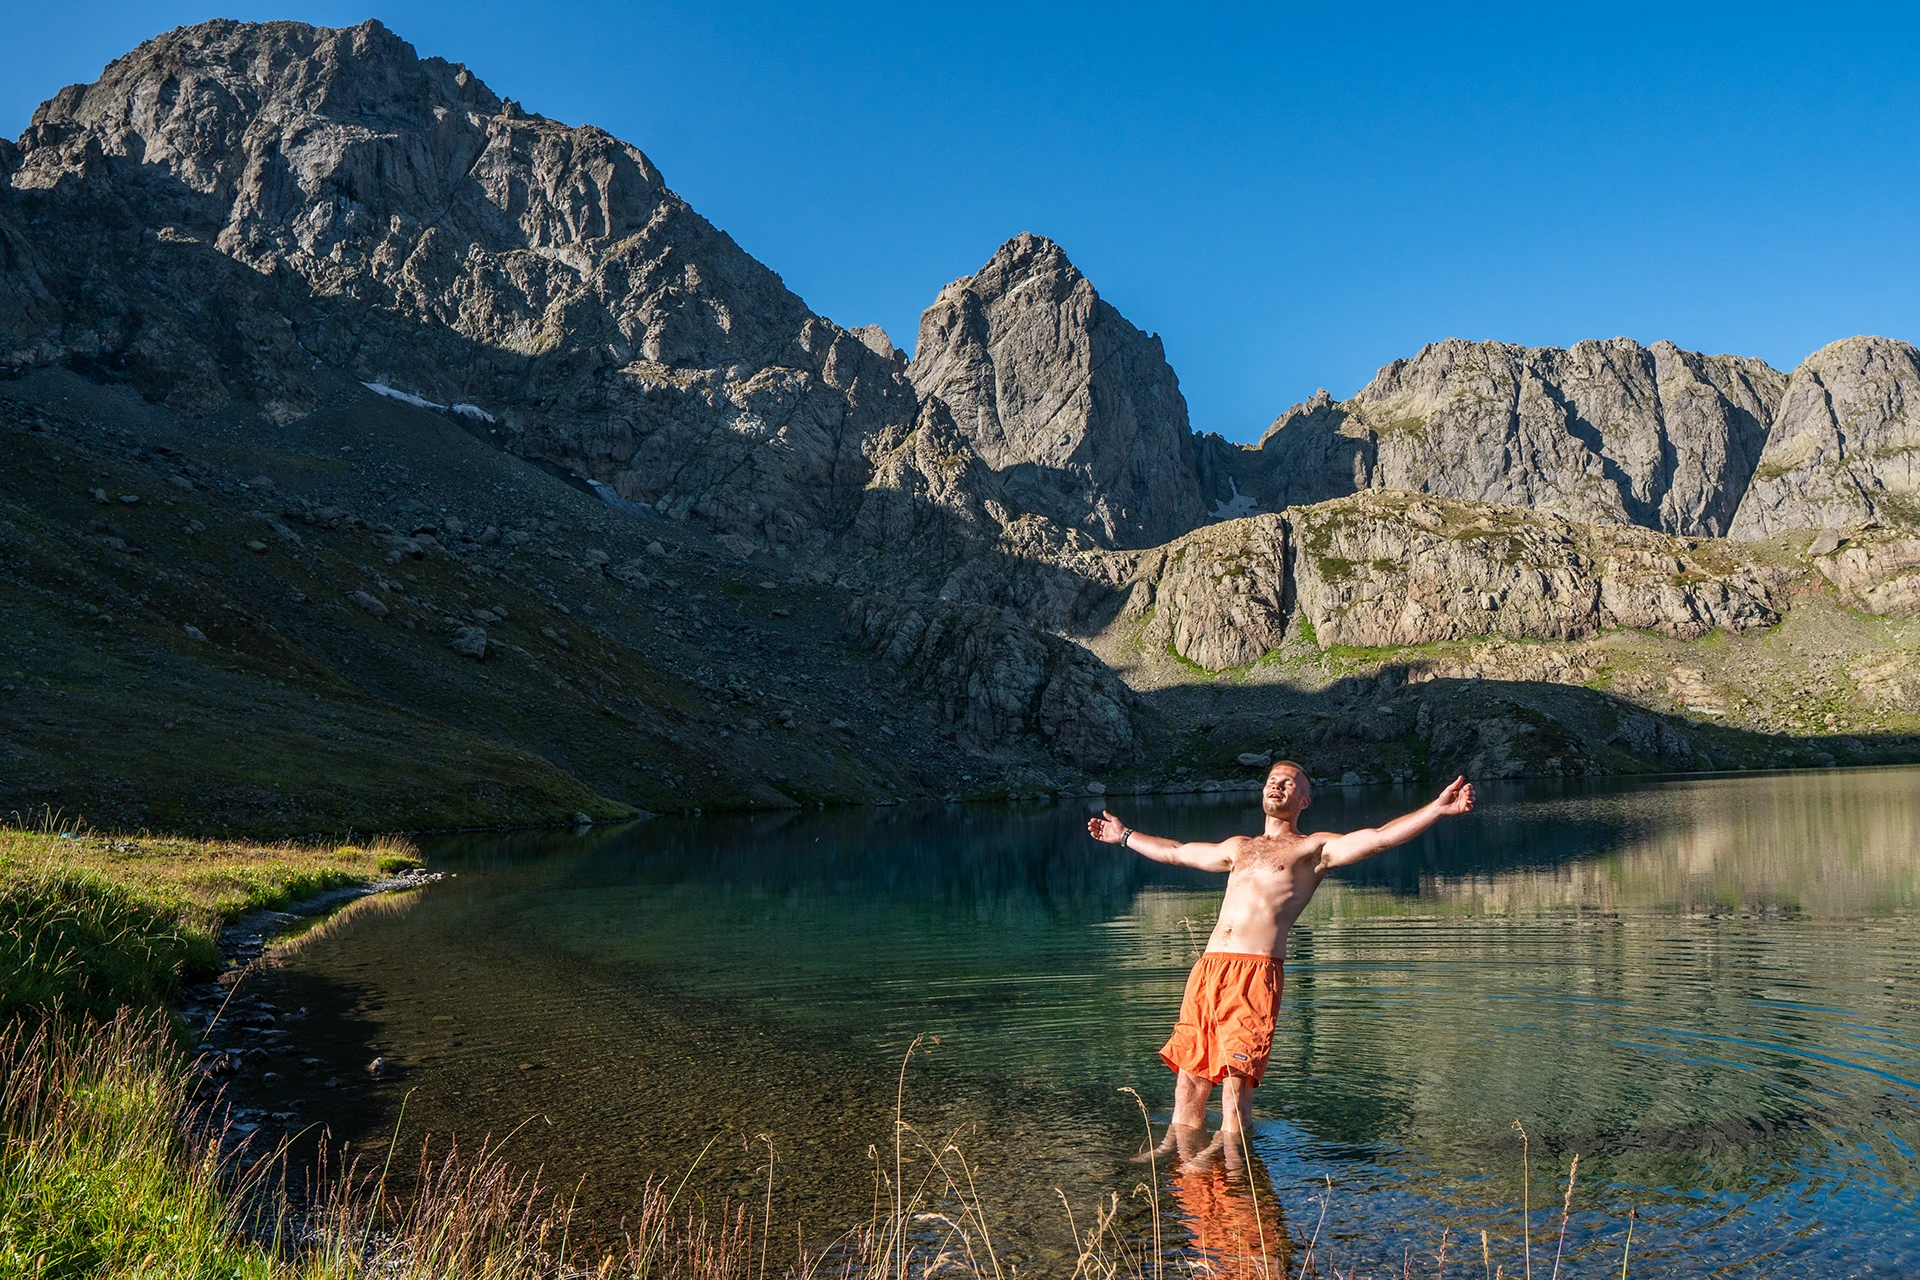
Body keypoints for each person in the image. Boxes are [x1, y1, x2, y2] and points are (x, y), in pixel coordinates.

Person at [1088, 762, 1475, 1166]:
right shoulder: (1239, 847)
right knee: (1191, 1072)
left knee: (1236, 1080)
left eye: (1289, 783)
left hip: (1255, 972)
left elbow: (1377, 839)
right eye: (1273, 780)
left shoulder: (1313, 849)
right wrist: (1124, 836)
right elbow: (1176, 853)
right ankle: (1176, 1148)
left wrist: (1436, 808)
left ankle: (1231, 1162)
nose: (1278, 785)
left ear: (1303, 800)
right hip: (1209, 969)